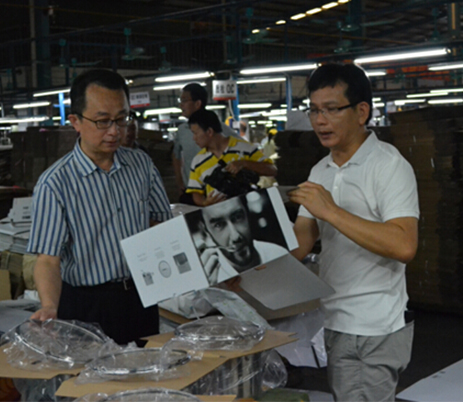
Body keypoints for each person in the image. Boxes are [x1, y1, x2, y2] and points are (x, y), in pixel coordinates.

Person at [289, 63, 419, 402]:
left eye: (331, 109)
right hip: (336, 318)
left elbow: (404, 244)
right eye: (314, 110)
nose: (320, 121)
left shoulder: (389, 166)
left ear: (362, 112)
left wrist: (331, 211)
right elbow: (301, 241)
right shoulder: (320, 170)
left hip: (373, 325)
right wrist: (246, 268)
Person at [27, 69, 172, 345]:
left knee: (148, 367)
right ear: (76, 121)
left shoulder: (141, 165)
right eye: (103, 121)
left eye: (122, 119)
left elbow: (161, 225)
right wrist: (49, 306)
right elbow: (47, 259)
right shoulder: (55, 184)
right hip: (87, 306)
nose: (115, 131)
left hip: (141, 297)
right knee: (95, 372)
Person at [186, 109, 277, 207]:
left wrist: (244, 164)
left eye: (195, 133)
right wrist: (205, 203)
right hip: (218, 212)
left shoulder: (245, 148)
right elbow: (196, 192)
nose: (194, 138)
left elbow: (272, 170)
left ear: (209, 132)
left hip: (249, 208)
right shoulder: (198, 161)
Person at [190, 195, 287, 285]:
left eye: (238, 217)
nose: (235, 237)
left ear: (248, 215)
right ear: (206, 230)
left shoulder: (278, 253)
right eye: (219, 225)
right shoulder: (211, 277)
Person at [172, 82, 239, 204]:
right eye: (180, 101)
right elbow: (176, 155)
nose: (181, 105)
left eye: (184, 100)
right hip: (192, 191)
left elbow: (241, 148)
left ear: (197, 103)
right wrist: (179, 182)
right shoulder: (182, 130)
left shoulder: (219, 129)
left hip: (217, 194)